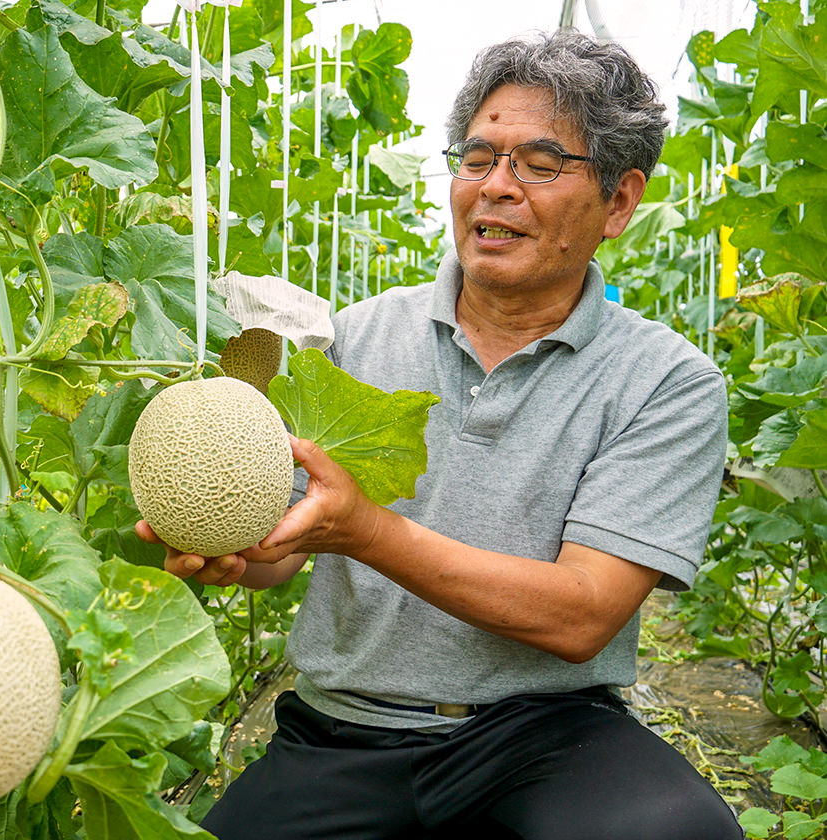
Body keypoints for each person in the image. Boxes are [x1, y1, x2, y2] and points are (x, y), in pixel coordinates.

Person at [136, 30, 741, 840]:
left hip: (548, 733)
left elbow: (582, 615)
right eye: (477, 156)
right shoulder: (348, 339)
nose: (496, 188)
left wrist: (369, 532)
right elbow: (282, 550)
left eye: (538, 164)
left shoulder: (669, 381)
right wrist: (235, 549)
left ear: (619, 202)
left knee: (679, 835)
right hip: (344, 729)